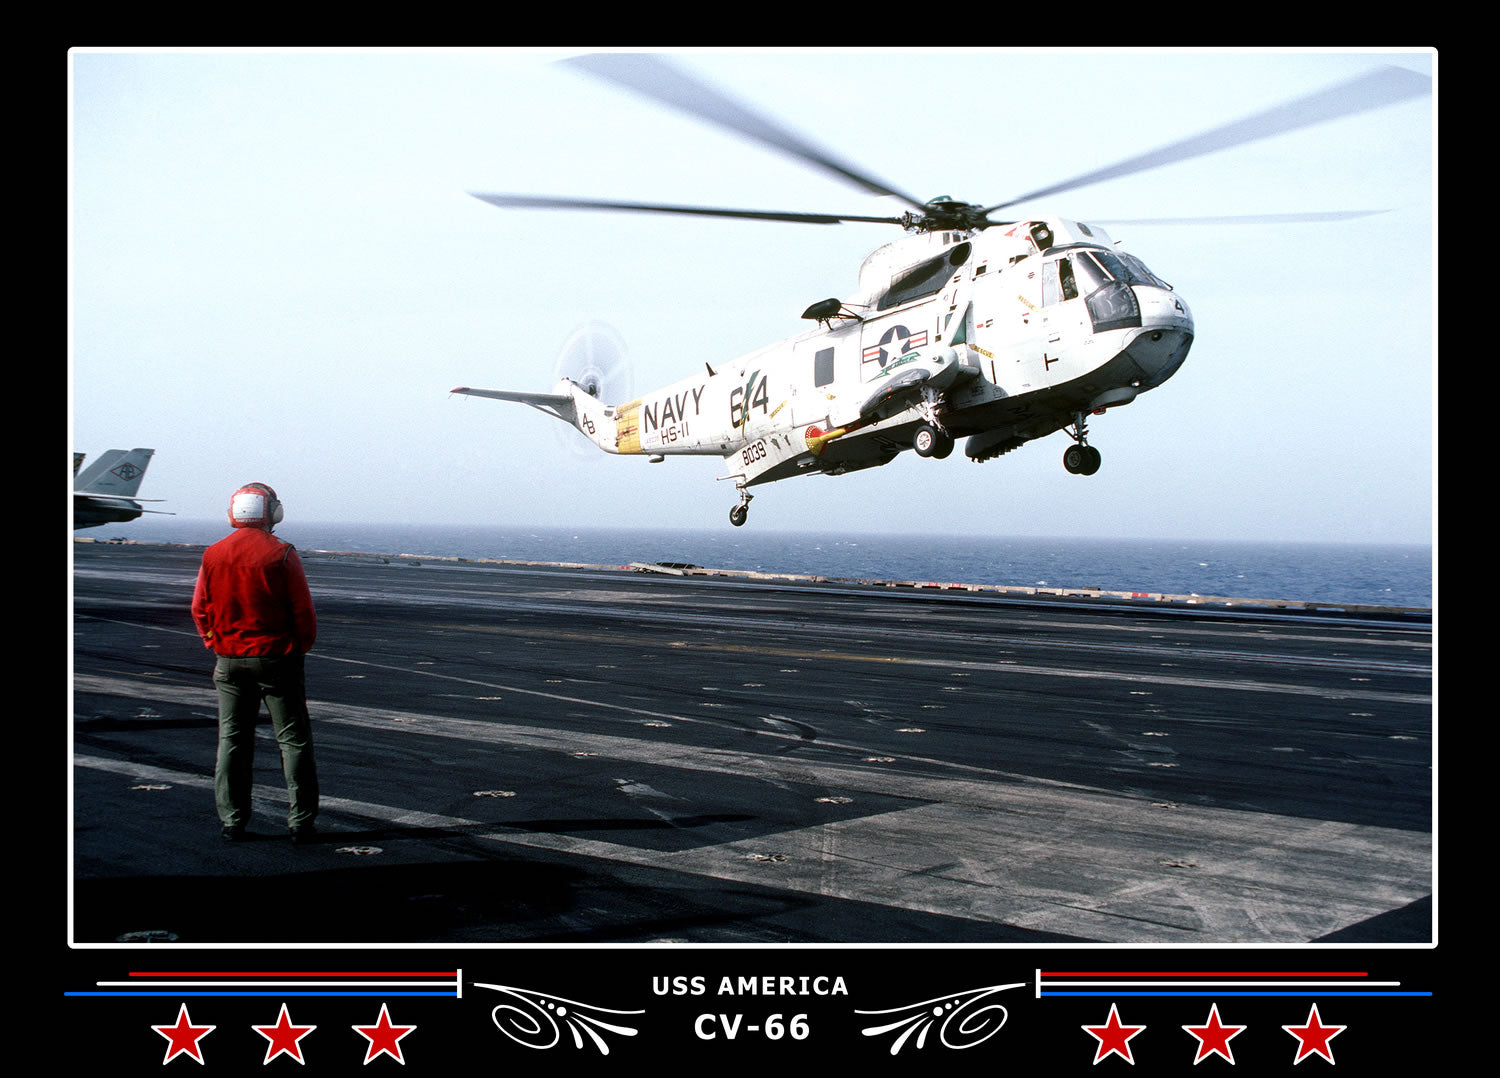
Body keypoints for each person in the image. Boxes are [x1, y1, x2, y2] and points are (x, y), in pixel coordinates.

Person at [190, 483, 320, 844]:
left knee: (231, 740)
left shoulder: (213, 554)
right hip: (278, 658)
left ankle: (232, 820)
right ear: (273, 512)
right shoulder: (282, 553)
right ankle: (301, 821)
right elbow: (303, 612)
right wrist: (298, 649)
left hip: (229, 659)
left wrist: (214, 642)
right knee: (293, 740)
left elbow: (200, 608)